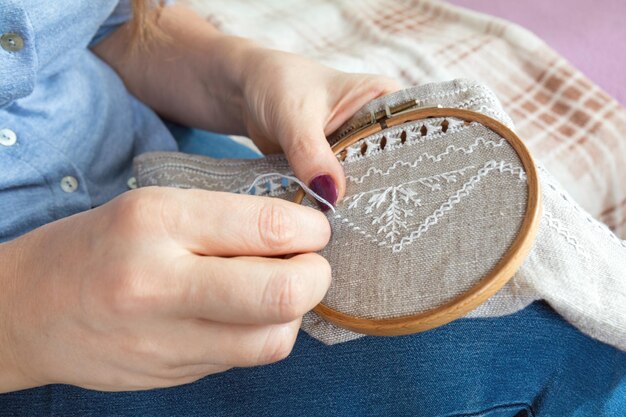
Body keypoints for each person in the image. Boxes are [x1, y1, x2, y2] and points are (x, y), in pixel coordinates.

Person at [1, 1, 624, 416]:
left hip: (165, 155)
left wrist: (243, 74)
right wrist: (25, 310)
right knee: (554, 348)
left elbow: (107, 25)